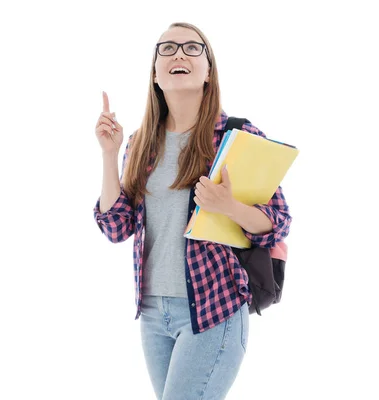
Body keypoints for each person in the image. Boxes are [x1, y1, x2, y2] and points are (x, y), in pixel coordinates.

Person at [92, 22, 291, 400]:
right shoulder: (139, 143)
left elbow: (277, 224)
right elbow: (117, 227)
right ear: (154, 72)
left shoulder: (235, 137)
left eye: (191, 48)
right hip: (152, 314)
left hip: (212, 309)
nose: (178, 54)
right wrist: (108, 154)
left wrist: (229, 207)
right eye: (166, 49)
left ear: (208, 70)